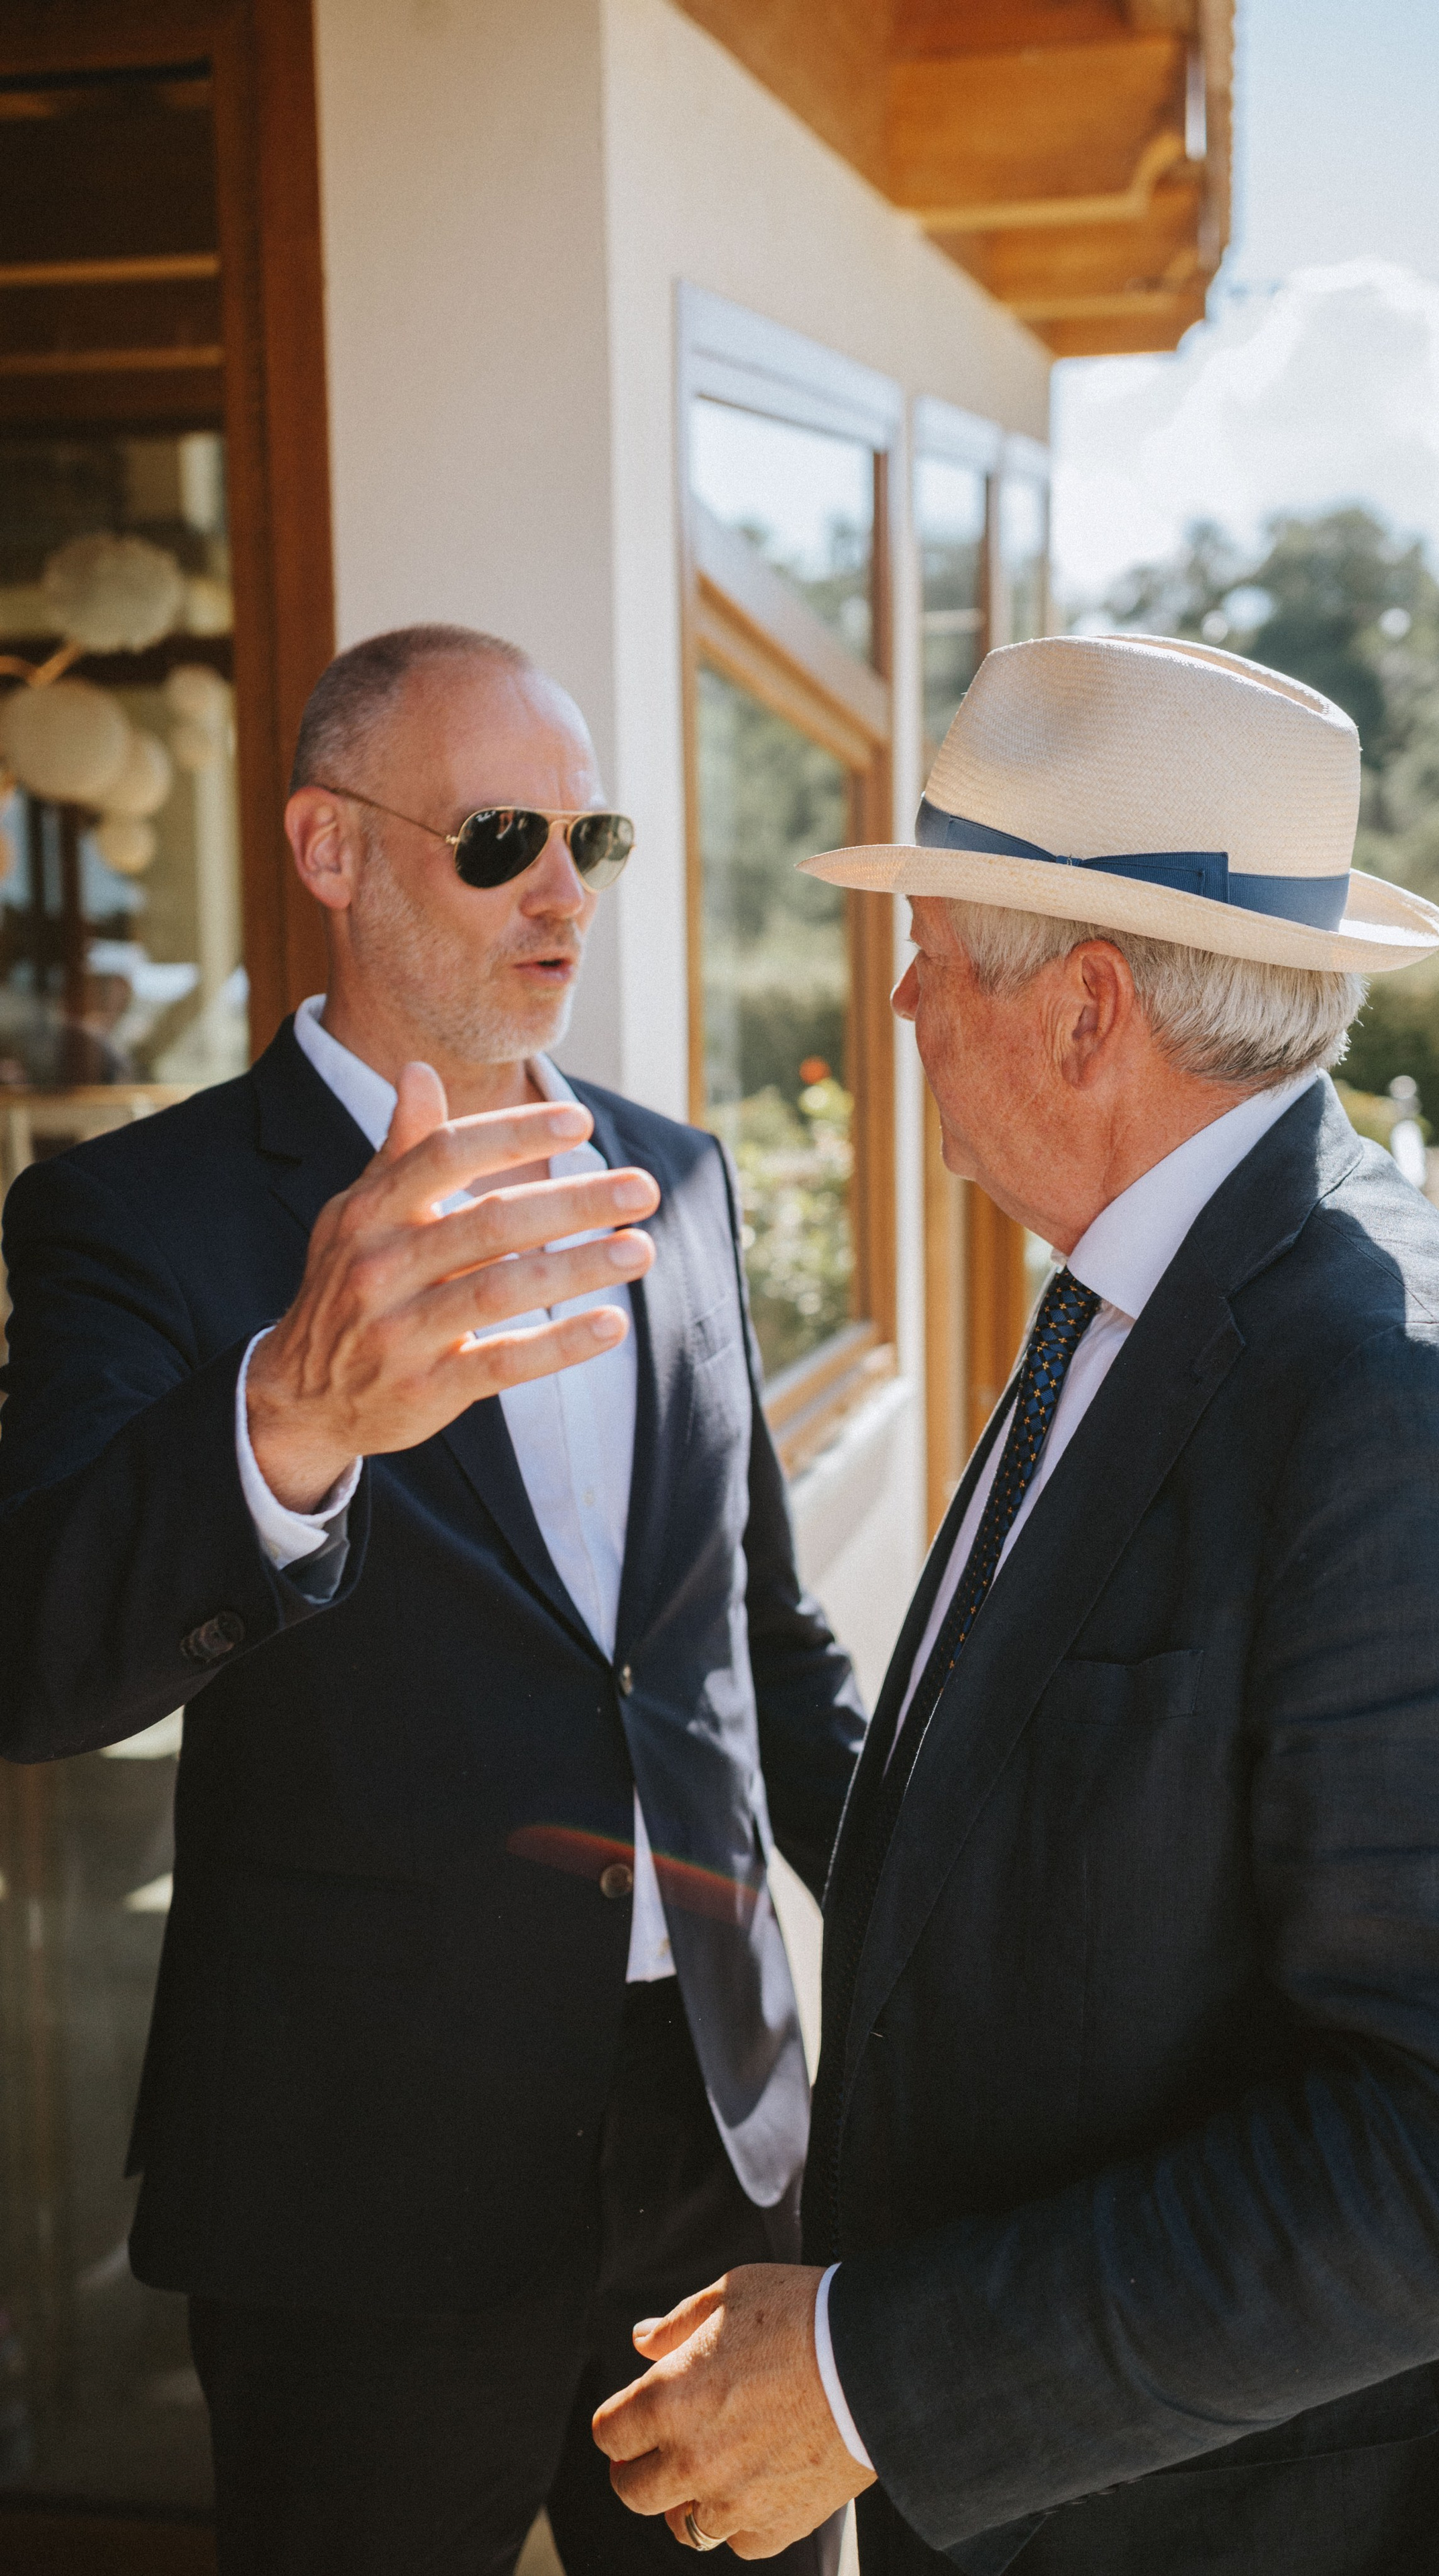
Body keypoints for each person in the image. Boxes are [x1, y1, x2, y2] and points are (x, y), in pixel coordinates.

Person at [591, 634, 1439, 2575]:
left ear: (1089, 1013)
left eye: (938, 943)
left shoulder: (1413, 1402)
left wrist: (863, 2376)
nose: (900, 989)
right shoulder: (1129, 1292)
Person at [0, 623, 864, 2575]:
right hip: (358, 2182)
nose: (562, 891)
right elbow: (36, 1657)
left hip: (717, 2143)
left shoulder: (680, 1181)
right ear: (330, 850)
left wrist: (952, 1919)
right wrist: (285, 1416)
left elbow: (755, 1649)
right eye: (499, 838)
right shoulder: (145, 1214)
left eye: (590, 837)